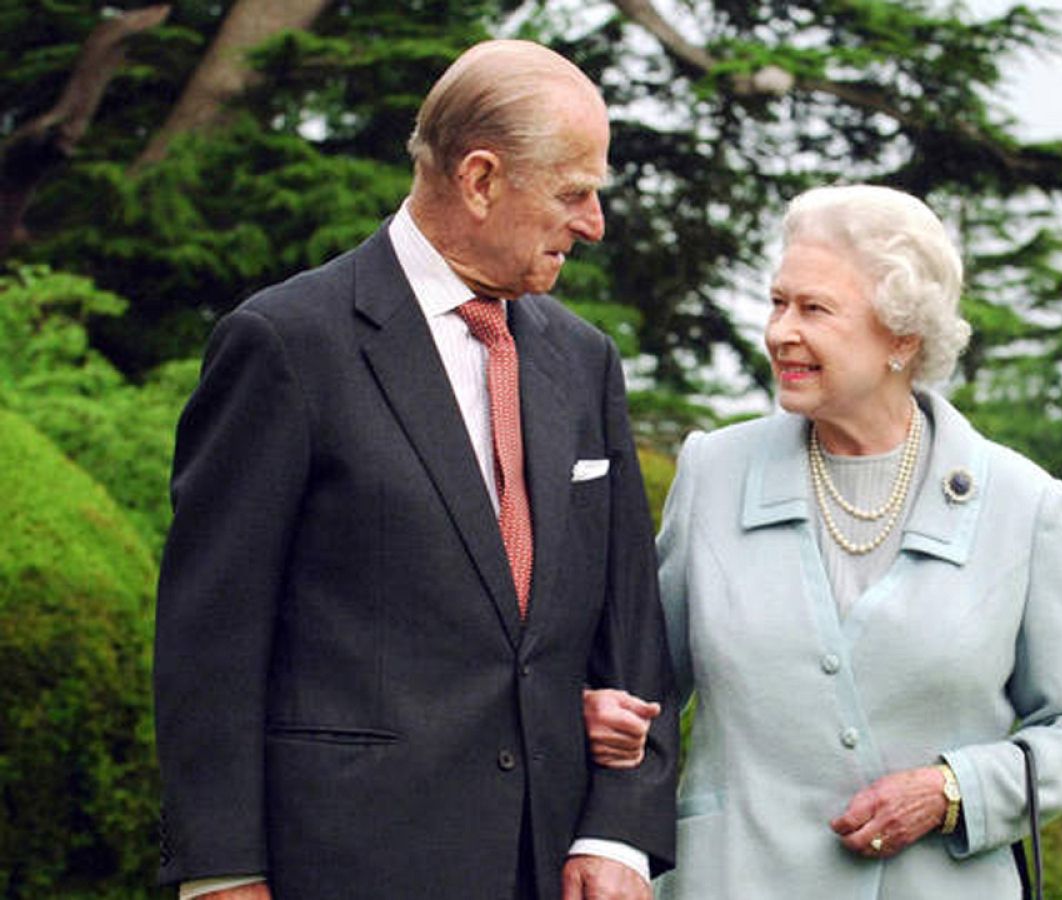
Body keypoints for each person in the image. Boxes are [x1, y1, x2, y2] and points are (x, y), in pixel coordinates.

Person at [153, 40, 676, 900]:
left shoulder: (585, 361)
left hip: (552, 867)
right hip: (347, 865)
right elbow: (206, 642)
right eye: (574, 192)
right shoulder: (285, 344)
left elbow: (631, 631)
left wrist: (619, 832)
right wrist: (217, 874)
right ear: (479, 179)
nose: (593, 223)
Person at [583, 184, 1062, 898]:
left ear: (902, 336)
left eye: (814, 309)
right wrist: (597, 707)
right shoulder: (715, 472)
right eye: (778, 303)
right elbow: (643, 684)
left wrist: (954, 790)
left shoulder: (1022, 505)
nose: (781, 331)